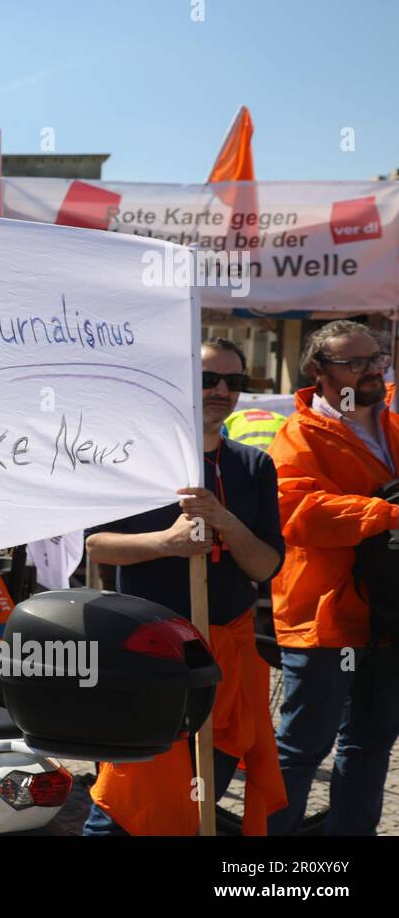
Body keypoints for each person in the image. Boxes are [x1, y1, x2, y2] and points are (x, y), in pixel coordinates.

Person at [83, 338, 286, 835]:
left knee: (202, 800)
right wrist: (166, 542)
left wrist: (226, 523)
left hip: (223, 663)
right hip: (150, 656)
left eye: (233, 382)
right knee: (124, 804)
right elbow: (97, 546)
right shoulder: (138, 459)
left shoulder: (254, 466)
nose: (221, 390)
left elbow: (264, 567)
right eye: (207, 380)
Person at [266, 320, 399, 835]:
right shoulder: (297, 435)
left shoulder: (390, 424)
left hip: (384, 615)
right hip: (322, 615)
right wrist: (385, 513)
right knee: (301, 749)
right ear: (318, 371)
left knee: (370, 744)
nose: (371, 370)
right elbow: (297, 513)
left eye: (376, 358)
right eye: (356, 362)